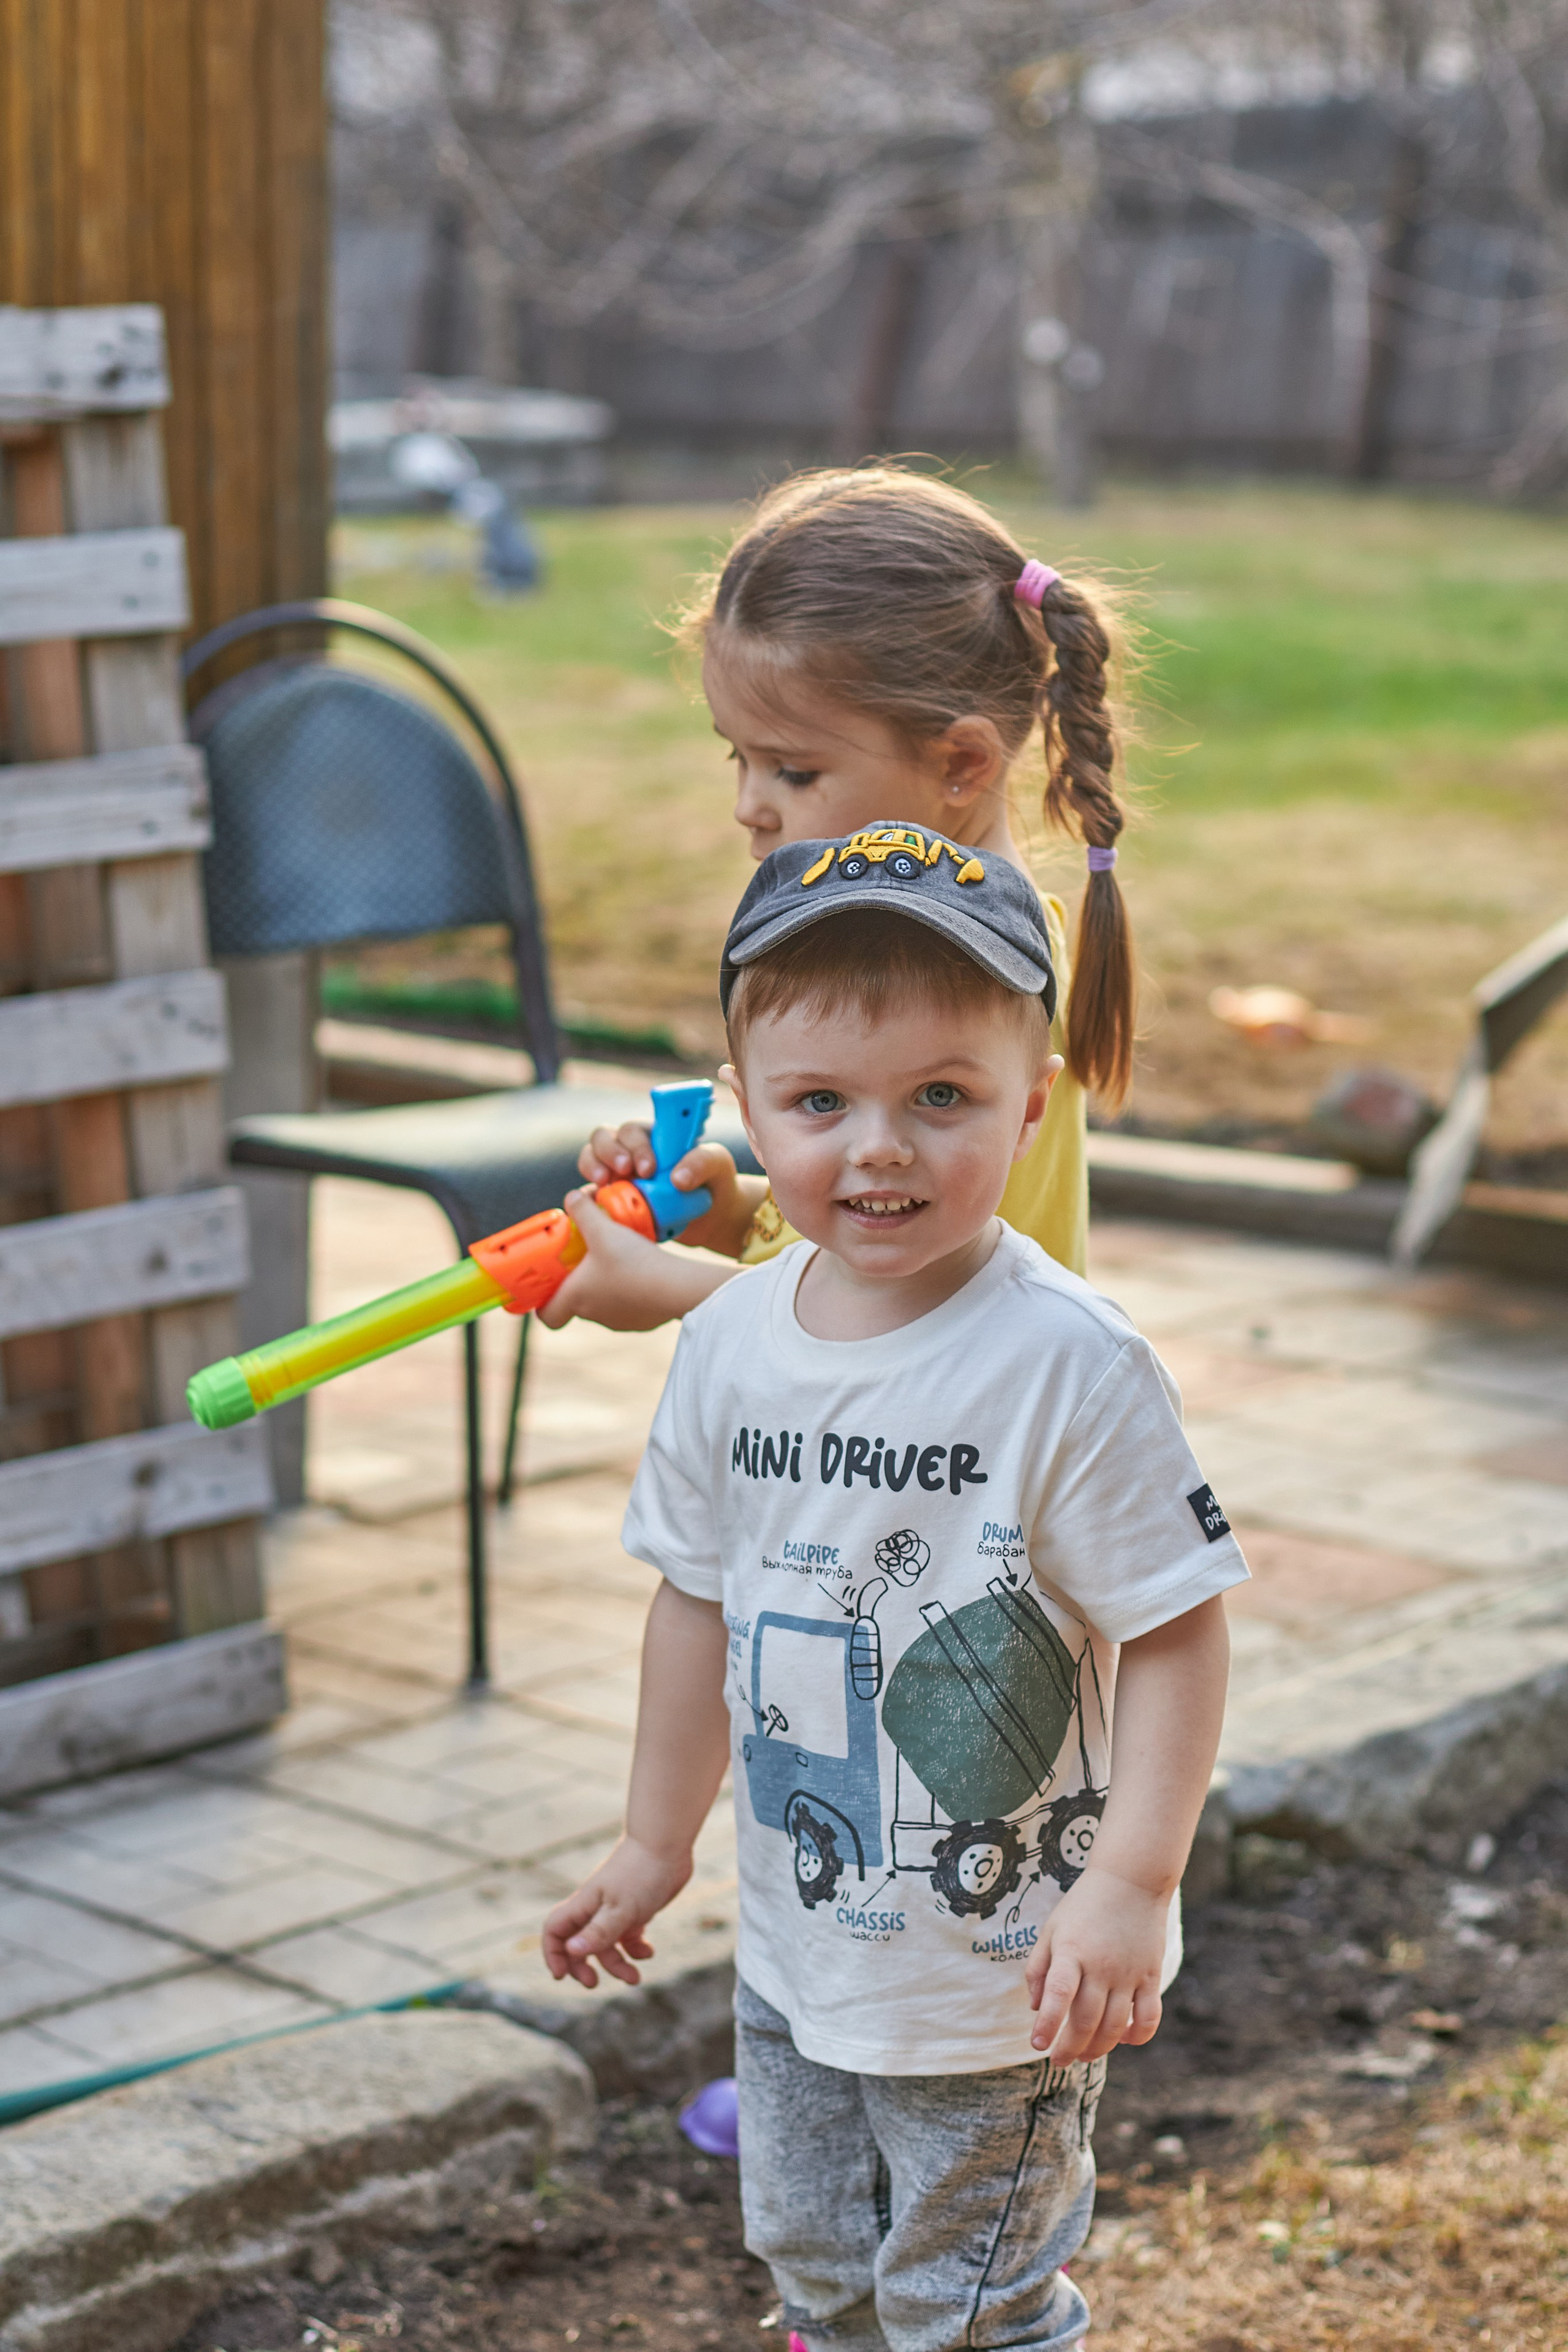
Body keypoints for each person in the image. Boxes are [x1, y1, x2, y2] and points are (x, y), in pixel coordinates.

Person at [542, 832, 1246, 2352]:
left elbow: (1177, 1627)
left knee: (966, 2293)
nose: (879, 1148)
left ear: (1031, 1102)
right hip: (802, 1941)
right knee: (808, 2249)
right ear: (746, 1106)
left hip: (1005, 1975)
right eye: (818, 1103)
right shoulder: (731, 1338)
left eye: (942, 1096)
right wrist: (653, 1838)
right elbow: (695, 1602)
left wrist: (1127, 1884)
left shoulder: (1067, 1364)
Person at [537, 464, 1136, 1336]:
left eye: (795, 770)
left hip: (942, 1462)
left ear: (961, 765)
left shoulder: (978, 981)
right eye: (736, 759)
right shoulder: (924, 953)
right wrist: (731, 1211)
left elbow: (910, 1320)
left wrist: (671, 1294)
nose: (751, 805)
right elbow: (878, 1229)